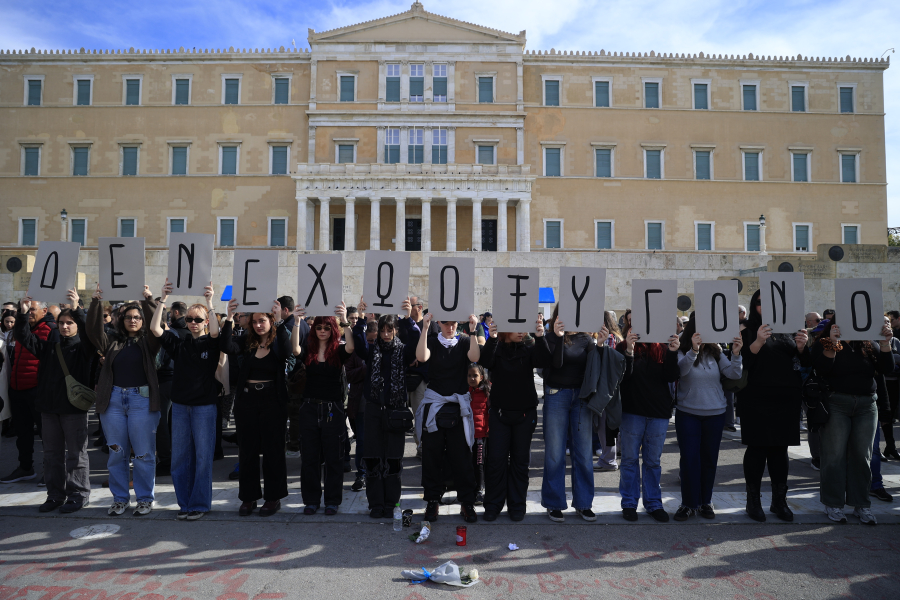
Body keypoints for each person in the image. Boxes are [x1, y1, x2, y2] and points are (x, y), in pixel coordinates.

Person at [14, 290, 96, 513]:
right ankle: (55, 495)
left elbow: (91, 334)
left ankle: (78, 495)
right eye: (61, 322)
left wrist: (77, 307)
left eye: (70, 323)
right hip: (49, 410)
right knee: (51, 456)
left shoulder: (83, 349)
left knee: (76, 455)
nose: (65, 326)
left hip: (73, 411)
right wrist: (22, 313)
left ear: (77, 325)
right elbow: (24, 337)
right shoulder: (50, 347)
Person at [87, 283, 162, 516]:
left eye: (137, 317)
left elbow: (155, 327)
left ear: (142, 320)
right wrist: (96, 302)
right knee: (116, 452)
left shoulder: (148, 343)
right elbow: (92, 331)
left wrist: (148, 301)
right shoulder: (111, 342)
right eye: (128, 317)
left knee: (143, 453)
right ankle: (120, 499)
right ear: (121, 319)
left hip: (142, 401)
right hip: (114, 401)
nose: (132, 320)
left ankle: (144, 499)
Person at [149, 279, 220, 520]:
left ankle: (199, 504)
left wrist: (210, 302)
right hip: (180, 407)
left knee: (202, 458)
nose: (192, 323)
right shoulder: (179, 342)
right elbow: (156, 330)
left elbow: (216, 333)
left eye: (198, 319)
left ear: (206, 322)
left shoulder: (211, 342)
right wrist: (163, 300)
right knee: (180, 457)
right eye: (189, 319)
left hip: (204, 407)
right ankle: (185, 503)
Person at [813, 319, 894, 525]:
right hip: (837, 403)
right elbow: (823, 369)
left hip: (867, 405)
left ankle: (861, 504)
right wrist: (834, 343)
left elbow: (887, 368)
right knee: (834, 455)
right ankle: (833, 503)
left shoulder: (868, 343)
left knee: (862, 456)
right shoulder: (824, 341)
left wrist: (885, 343)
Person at [739, 289, 810, 523]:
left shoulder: (790, 329)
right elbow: (744, 363)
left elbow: (805, 364)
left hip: (786, 397)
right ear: (753, 305)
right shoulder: (746, 329)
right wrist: (758, 340)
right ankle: (753, 501)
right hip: (757, 397)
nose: (764, 308)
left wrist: (802, 347)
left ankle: (779, 501)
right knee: (757, 449)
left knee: (780, 451)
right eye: (760, 303)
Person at [479, 314, 556, 521]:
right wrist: (493, 338)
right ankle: (493, 505)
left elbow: (545, 361)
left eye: (525, 328)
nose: (522, 332)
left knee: (520, 462)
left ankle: (516, 505)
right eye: (517, 328)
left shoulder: (529, 349)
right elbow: (484, 361)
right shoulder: (496, 348)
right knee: (496, 461)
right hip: (500, 415)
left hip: (524, 415)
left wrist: (540, 337)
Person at [352, 297, 419, 518]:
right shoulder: (373, 351)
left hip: (395, 411)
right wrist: (361, 319)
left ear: (396, 331)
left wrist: (409, 318)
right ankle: (376, 504)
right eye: (383, 331)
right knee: (372, 458)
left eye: (390, 330)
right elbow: (359, 345)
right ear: (379, 332)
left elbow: (417, 342)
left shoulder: (403, 351)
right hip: (373, 409)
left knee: (392, 460)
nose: (387, 334)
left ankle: (391, 503)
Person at [672, 313, 743, 521]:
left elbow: (734, 374)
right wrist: (694, 350)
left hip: (715, 413)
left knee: (709, 460)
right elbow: (682, 372)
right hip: (688, 412)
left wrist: (736, 354)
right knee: (689, 460)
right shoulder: (682, 348)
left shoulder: (716, 350)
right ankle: (688, 504)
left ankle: (705, 501)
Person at [415, 311, 481, 523]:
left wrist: (473, 330)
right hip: (435, 406)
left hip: (457, 407)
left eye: (453, 323)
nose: (449, 327)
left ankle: (467, 502)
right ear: (439, 323)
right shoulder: (433, 341)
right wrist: (424, 328)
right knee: (431, 456)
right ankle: (432, 501)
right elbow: (421, 357)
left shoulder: (463, 341)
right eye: (445, 323)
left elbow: (475, 358)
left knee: (461, 457)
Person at [291, 300, 354, 516]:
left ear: (333, 330)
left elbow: (353, 347)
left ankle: (332, 501)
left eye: (327, 327)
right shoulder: (308, 350)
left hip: (332, 409)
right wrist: (297, 321)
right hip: (309, 408)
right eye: (319, 327)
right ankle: (311, 500)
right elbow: (294, 348)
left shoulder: (339, 351)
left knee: (334, 458)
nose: (322, 331)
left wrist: (345, 320)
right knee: (309, 458)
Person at [541, 305, 603, 523]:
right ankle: (554, 503)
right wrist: (557, 337)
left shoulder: (587, 339)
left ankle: (584, 503)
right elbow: (554, 365)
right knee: (555, 453)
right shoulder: (550, 337)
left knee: (583, 452)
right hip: (556, 394)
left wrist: (601, 345)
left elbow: (596, 367)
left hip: (581, 398)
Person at [616, 324, 680, 523]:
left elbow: (671, 376)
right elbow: (623, 378)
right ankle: (629, 503)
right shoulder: (623, 347)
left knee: (653, 462)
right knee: (629, 460)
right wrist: (629, 350)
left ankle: (653, 503)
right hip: (632, 411)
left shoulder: (662, 346)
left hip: (658, 413)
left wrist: (672, 352)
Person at [0, 299, 56, 484]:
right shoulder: (22, 328)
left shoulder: (49, 329)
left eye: (32, 309)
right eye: (25, 309)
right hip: (17, 389)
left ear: (44, 310)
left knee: (46, 434)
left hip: (37, 390)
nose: (28, 312)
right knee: (23, 434)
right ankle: (25, 468)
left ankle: (51, 472)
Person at [468, 363, 490, 505]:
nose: (472, 378)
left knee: (479, 464)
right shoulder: (466, 392)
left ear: (481, 377)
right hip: (467, 435)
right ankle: (470, 489)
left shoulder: (487, 392)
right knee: (469, 463)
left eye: (475, 375)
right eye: (469, 375)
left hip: (481, 435)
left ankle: (479, 491)